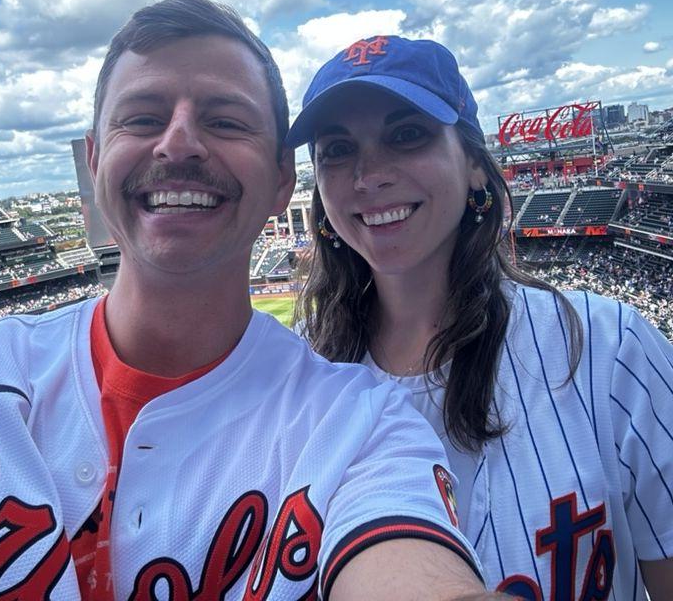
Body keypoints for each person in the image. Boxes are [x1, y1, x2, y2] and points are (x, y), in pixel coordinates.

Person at [0, 0, 497, 601]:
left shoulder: (363, 425)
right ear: (94, 158)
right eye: (142, 118)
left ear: (283, 180)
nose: (179, 143)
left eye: (226, 121)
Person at [286, 35, 673, 600]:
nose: (368, 175)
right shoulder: (297, 372)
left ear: (472, 162)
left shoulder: (607, 347)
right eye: (337, 149)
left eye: (407, 134)